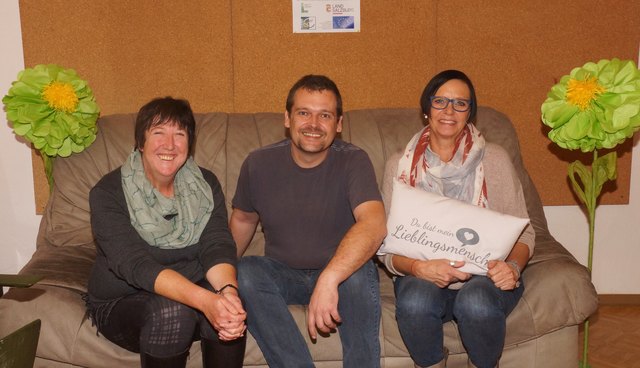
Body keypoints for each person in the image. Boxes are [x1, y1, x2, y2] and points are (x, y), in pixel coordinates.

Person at [379, 70, 535, 368]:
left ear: (469, 113)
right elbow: (386, 247)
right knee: (414, 302)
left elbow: (525, 234)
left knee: (475, 303)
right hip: (422, 275)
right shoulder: (398, 167)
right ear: (426, 109)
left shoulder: (495, 160)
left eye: (460, 104)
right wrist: (418, 267)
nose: (449, 111)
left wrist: (512, 267)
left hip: (484, 279)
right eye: (440, 101)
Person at [230, 75, 387, 368]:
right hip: (282, 274)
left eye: (324, 115)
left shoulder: (354, 160)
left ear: (338, 124)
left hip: (342, 275)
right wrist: (221, 281)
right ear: (287, 118)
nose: (313, 124)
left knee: (358, 272)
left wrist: (329, 278)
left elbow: (374, 225)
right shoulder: (258, 163)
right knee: (245, 271)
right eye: (304, 113)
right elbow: (242, 219)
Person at [86, 97, 246, 368]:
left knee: (233, 305)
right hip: (124, 300)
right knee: (174, 312)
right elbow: (135, 264)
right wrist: (206, 301)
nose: (169, 145)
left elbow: (217, 244)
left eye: (179, 134)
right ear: (141, 141)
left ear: (189, 144)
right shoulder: (107, 193)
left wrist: (228, 293)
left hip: (193, 291)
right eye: (158, 132)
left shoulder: (205, 185)